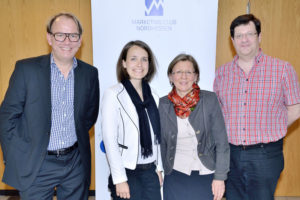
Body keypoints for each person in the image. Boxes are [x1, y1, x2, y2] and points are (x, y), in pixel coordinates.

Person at [0, 13, 99, 199]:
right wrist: (14, 157)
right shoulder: (26, 70)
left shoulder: (90, 74)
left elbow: (89, 116)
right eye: (60, 35)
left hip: (75, 163)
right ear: (49, 38)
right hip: (36, 163)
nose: (67, 41)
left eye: (73, 35)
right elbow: (7, 117)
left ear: (80, 40)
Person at [214, 14, 300, 200]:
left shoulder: (282, 69)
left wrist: (274, 128)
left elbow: (295, 108)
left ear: (259, 37)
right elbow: (220, 113)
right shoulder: (222, 73)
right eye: (239, 35)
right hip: (231, 155)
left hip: (266, 154)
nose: (244, 40)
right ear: (232, 40)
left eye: (250, 34)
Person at [159, 54, 229, 200]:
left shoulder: (209, 100)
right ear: (171, 77)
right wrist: (158, 169)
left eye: (189, 72)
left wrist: (220, 177)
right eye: (178, 72)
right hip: (175, 173)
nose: (183, 77)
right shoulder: (163, 104)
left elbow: (221, 142)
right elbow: (159, 143)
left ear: (196, 76)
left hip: (205, 172)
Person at [101, 40, 163, 200]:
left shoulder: (154, 95)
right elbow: (109, 139)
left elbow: (157, 135)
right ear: (124, 63)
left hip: (151, 171)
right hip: (127, 171)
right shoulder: (113, 94)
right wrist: (120, 179)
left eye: (144, 59)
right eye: (133, 58)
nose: (139, 64)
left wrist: (159, 169)